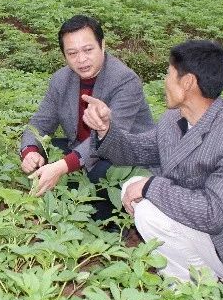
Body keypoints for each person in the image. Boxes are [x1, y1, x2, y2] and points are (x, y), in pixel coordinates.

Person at [83, 40, 223, 289]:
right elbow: (134, 151)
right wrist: (105, 130)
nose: (165, 80)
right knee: (133, 188)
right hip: (199, 227)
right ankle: (189, 270)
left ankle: (196, 283)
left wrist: (151, 188)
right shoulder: (174, 119)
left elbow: (213, 214)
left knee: (146, 207)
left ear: (187, 83)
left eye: (169, 73)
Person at [20, 15, 153, 220]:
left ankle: (105, 225)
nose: (81, 59)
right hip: (81, 148)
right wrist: (30, 151)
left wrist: (62, 166)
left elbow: (109, 140)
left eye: (88, 50)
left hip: (123, 154)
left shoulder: (125, 81)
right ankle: (56, 207)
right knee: (45, 152)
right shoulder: (61, 79)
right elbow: (39, 123)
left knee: (101, 172)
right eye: (72, 53)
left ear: (103, 45)